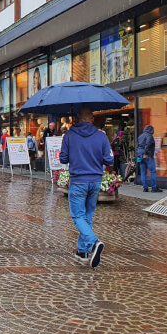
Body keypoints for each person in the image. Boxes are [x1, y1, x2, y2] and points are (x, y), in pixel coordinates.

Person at [59, 108, 113, 269]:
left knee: (77, 216)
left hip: (78, 181)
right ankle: (83, 251)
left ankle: (94, 242)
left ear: (76, 120)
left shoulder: (69, 135)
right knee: (87, 216)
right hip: (95, 181)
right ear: (92, 120)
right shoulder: (101, 136)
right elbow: (109, 160)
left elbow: (63, 158)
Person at [136, 125, 162, 193]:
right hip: (148, 155)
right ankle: (154, 187)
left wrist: (139, 155)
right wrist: (145, 153)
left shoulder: (140, 136)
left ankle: (145, 188)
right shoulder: (149, 136)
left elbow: (137, 146)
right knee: (152, 171)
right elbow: (147, 145)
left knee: (143, 172)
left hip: (141, 156)